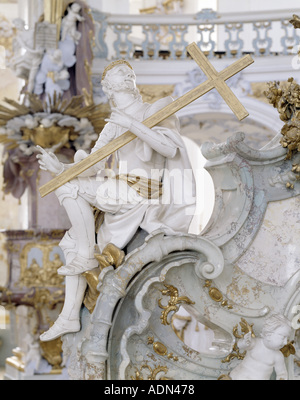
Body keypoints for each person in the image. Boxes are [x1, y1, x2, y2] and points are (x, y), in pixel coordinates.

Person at [37, 59, 196, 341]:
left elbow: (169, 148)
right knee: (71, 225)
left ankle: (87, 255)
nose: (127, 74)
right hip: (119, 189)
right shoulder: (112, 125)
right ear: (108, 86)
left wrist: (131, 124)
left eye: (129, 72)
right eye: (119, 73)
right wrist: (58, 169)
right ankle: (70, 316)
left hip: (143, 191)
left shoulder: (155, 109)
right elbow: (94, 165)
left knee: (72, 193)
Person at [229, 314, 292, 380]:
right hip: (237, 377)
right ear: (269, 334)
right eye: (283, 337)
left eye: (287, 339)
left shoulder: (278, 356)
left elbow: (282, 373)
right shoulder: (256, 343)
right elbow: (239, 345)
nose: (285, 342)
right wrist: (244, 342)